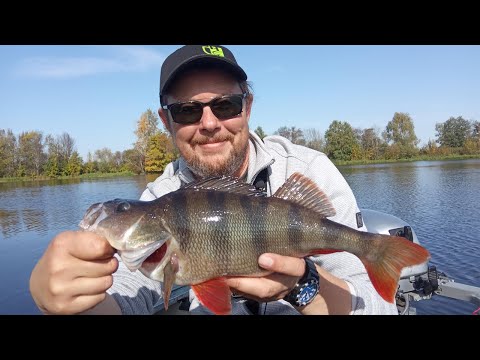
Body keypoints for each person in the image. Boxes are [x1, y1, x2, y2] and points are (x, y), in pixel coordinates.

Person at [29, 45, 398, 315]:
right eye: (187, 110)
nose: (208, 123)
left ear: (247, 107)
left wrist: (304, 284)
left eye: (225, 105)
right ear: (166, 120)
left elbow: (381, 308)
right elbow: (127, 298)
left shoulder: (305, 169)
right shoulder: (163, 197)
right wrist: (67, 303)